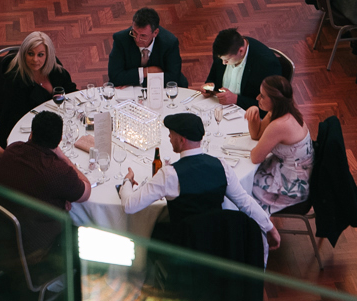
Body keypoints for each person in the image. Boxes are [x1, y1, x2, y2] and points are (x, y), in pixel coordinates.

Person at [118, 112, 279, 247]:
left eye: (171, 134)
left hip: (184, 246)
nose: (169, 137)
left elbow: (130, 206)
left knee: (152, 231)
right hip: (217, 242)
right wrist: (270, 227)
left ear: (182, 139)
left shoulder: (169, 175)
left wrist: (127, 182)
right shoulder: (222, 166)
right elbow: (245, 202)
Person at [0, 109, 91, 263]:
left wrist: (58, 199)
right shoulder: (58, 171)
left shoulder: (12, 150)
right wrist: (64, 158)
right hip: (33, 251)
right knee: (87, 235)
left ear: (31, 134)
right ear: (59, 140)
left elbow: (31, 184)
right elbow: (86, 191)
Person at [245, 75, 311, 214]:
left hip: (290, 187)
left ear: (275, 100)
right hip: (287, 171)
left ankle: (255, 224)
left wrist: (256, 148)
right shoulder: (281, 111)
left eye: (262, 96)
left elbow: (255, 157)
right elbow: (256, 135)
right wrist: (254, 113)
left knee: (241, 193)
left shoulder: (280, 125)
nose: (257, 98)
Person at [0, 32, 78, 130]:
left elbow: (72, 92)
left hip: (57, 121)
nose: (35, 59)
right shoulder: (15, 80)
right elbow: (15, 117)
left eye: (40, 55)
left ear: (48, 55)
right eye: (30, 54)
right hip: (30, 128)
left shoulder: (55, 68)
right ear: (24, 54)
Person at [107, 7, 185, 86]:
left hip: (161, 88)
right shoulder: (121, 39)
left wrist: (133, 82)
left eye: (143, 36)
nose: (137, 39)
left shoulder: (169, 43)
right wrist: (145, 72)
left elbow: (172, 77)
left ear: (155, 33)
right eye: (134, 33)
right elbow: (115, 77)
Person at [204, 27, 280, 107]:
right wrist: (209, 86)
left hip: (247, 110)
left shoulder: (267, 64)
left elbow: (271, 106)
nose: (223, 63)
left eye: (227, 60)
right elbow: (213, 77)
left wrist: (237, 100)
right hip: (218, 105)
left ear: (241, 51)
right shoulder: (223, 50)